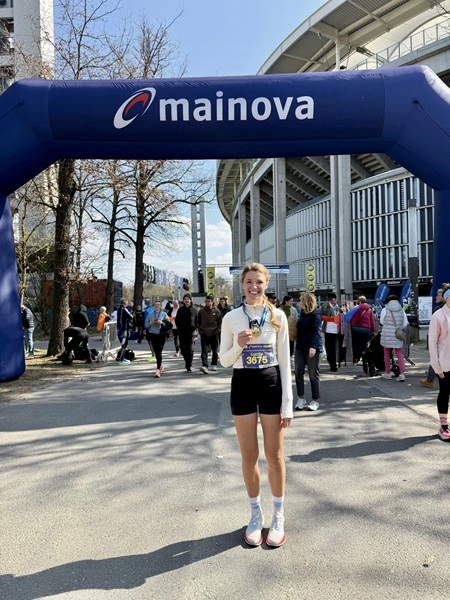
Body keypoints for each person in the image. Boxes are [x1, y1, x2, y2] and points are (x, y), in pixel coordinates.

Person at [219, 263, 292, 548]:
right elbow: (224, 360)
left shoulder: (278, 315)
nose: (254, 287)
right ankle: (255, 514)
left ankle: (278, 516)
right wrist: (239, 344)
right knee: (249, 455)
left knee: (275, 454)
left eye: (259, 282)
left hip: (271, 383)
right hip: (243, 384)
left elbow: (285, 361)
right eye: (249, 282)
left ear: (266, 284)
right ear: (242, 285)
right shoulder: (231, 317)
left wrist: (288, 404)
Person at [428, 284, 450, 440]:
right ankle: (443, 426)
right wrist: (436, 366)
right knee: (445, 392)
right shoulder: (439, 316)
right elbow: (432, 342)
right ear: (447, 298)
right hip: (445, 363)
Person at [294, 292, 323, 411]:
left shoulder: (316, 314)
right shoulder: (302, 314)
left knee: (313, 375)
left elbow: (317, 331)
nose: (299, 302)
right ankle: (301, 398)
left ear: (306, 301)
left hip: (312, 347)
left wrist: (313, 346)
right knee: (298, 372)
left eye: (301, 300)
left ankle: (315, 400)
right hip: (300, 347)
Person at [420, 287, 445, 388]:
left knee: (436, 359)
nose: (436, 297)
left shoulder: (438, 310)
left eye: (438, 295)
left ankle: (430, 381)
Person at [379, 294, 408, 381]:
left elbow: (381, 321)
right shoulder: (401, 310)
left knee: (386, 352)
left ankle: (388, 373)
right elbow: (405, 323)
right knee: (399, 353)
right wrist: (399, 327)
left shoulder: (385, 309)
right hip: (397, 334)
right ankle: (402, 374)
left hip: (387, 334)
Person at [144, 300, 170, 377]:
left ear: (161, 306)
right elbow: (146, 325)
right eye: (155, 305)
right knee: (156, 351)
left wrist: (161, 323)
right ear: (153, 306)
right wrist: (151, 323)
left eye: (158, 305)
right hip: (153, 334)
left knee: (159, 351)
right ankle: (159, 367)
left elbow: (168, 324)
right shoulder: (150, 315)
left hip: (161, 335)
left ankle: (158, 368)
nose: (157, 306)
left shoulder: (164, 314)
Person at [197, 295, 222, 374]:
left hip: (214, 333)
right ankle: (205, 365)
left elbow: (220, 323)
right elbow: (198, 322)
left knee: (215, 350)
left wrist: (217, 331)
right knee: (204, 350)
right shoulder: (201, 311)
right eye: (206, 301)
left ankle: (214, 364)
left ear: (212, 302)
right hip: (204, 333)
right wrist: (201, 330)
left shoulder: (217, 311)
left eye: (209, 301)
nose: (207, 303)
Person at [175, 293, 199, 372]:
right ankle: (187, 361)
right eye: (185, 299)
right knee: (182, 349)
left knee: (190, 349)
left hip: (191, 332)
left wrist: (196, 327)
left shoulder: (194, 310)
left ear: (190, 300)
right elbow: (177, 320)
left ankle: (189, 365)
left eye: (188, 299)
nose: (187, 301)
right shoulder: (180, 310)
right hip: (182, 332)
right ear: (183, 301)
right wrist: (179, 328)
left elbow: (197, 320)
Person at [350, 295, 376, 365]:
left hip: (356, 328)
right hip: (366, 329)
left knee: (356, 344)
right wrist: (373, 330)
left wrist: (352, 325)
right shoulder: (369, 309)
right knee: (364, 344)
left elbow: (352, 319)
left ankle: (356, 359)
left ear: (359, 301)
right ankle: (364, 359)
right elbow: (372, 321)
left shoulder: (356, 309)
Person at [321, 292, 341, 372]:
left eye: (334, 299)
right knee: (329, 348)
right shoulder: (325, 306)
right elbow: (321, 316)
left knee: (335, 349)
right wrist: (330, 319)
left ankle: (334, 365)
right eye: (332, 300)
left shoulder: (338, 307)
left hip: (336, 330)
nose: (333, 301)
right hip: (328, 330)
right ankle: (332, 363)